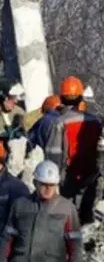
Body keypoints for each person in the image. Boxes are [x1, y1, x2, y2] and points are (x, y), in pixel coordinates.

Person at [44, 76, 103, 224]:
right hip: (91, 175)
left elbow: (54, 154)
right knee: (87, 215)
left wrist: (52, 181)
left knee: (66, 218)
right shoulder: (94, 121)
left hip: (68, 177)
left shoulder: (60, 122)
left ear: (62, 98)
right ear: (80, 98)